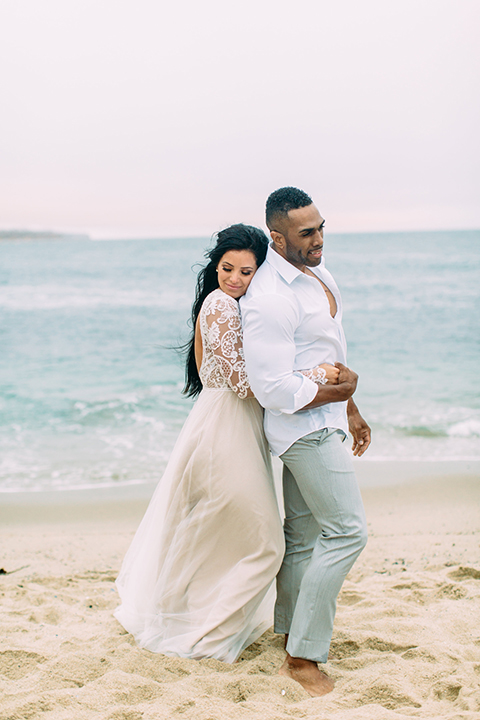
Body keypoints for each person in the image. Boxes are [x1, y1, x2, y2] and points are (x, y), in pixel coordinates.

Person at [114, 223, 338, 663]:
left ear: (262, 273)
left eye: (246, 272)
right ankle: (209, 638)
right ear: (215, 268)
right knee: (266, 541)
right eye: (226, 268)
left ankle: (193, 618)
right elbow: (244, 382)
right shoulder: (220, 305)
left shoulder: (235, 307)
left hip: (228, 429)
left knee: (212, 534)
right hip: (224, 432)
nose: (234, 278)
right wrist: (315, 376)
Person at [240, 187, 371, 696]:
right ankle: (302, 659)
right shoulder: (271, 297)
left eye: (321, 228)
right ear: (278, 237)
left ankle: (290, 631)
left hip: (327, 419)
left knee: (304, 534)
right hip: (304, 432)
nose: (319, 239)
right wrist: (337, 392)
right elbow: (272, 388)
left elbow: (330, 349)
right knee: (347, 533)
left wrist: (352, 407)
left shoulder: (319, 273)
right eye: (306, 233)